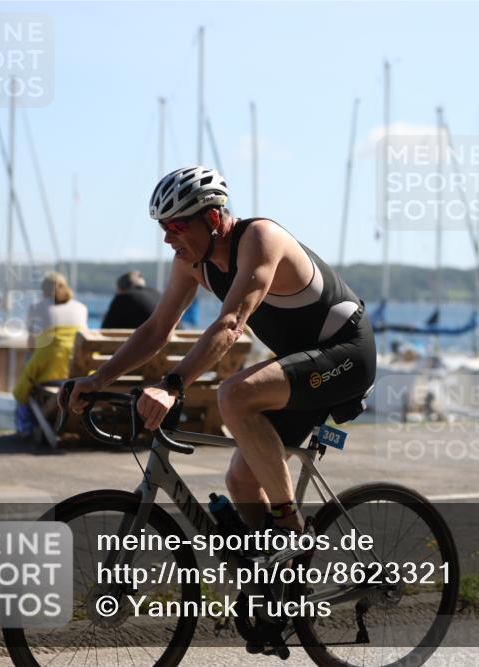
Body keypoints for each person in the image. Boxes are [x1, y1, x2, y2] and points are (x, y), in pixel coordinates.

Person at [69, 166, 376, 562]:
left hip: (346, 354)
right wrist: (98, 378)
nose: (168, 238)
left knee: (234, 393)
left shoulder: (261, 238)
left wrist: (172, 385)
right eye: (164, 228)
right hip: (302, 367)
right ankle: (279, 588)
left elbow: (231, 324)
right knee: (241, 480)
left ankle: (291, 529)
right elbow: (157, 328)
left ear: (213, 219)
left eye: (177, 226)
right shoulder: (192, 262)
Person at [14, 272, 88, 436]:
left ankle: (25, 428)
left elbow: (31, 346)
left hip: (49, 374)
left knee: (27, 370)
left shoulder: (36, 306)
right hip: (78, 373)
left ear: (43, 290)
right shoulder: (81, 308)